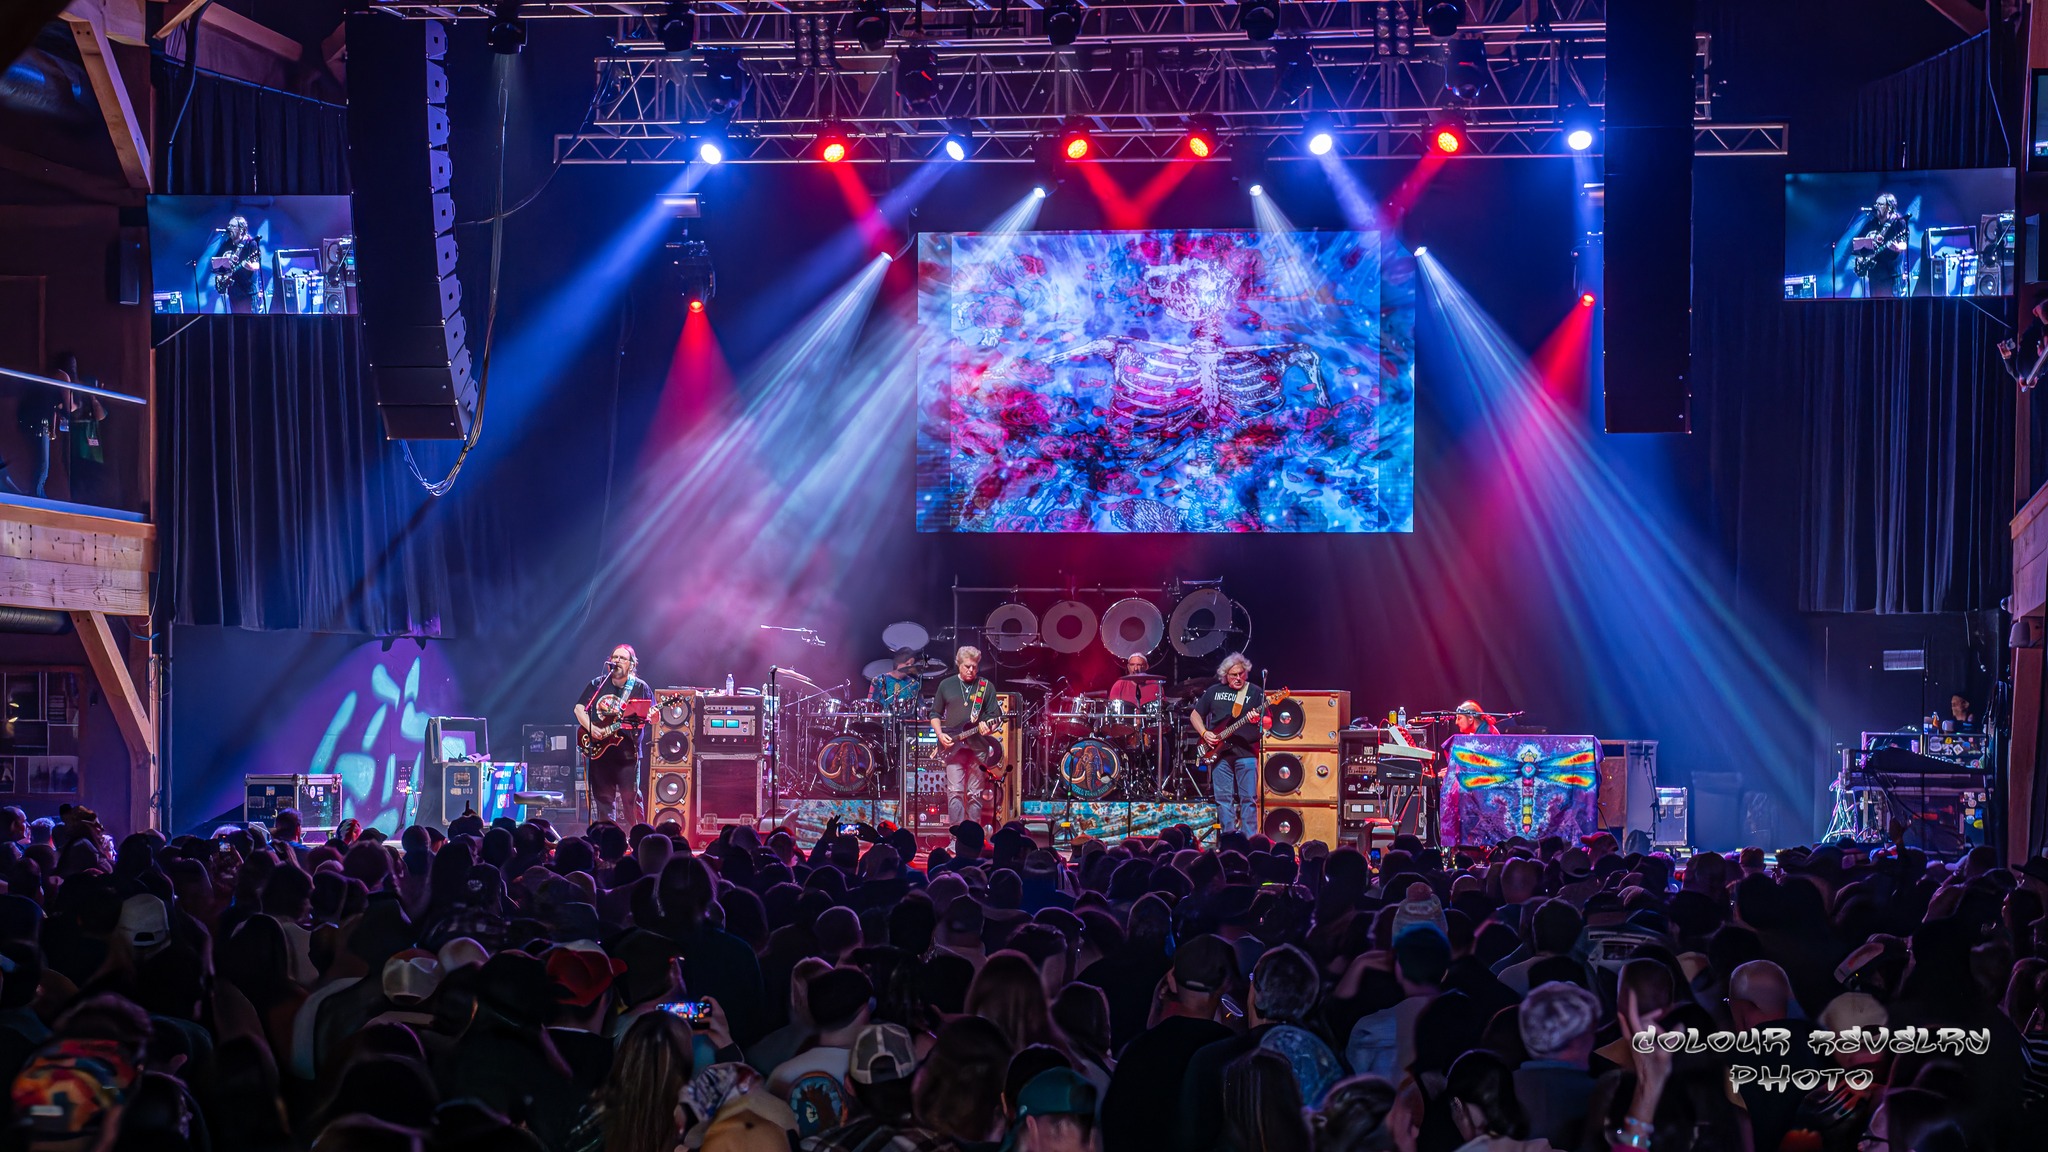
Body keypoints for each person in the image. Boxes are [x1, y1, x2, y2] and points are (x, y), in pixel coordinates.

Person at [574, 644, 653, 825]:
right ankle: (607, 837)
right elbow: (578, 708)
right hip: (600, 752)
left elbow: (653, 716)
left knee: (631, 801)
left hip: (628, 755)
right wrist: (591, 727)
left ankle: (638, 836)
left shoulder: (640, 687)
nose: (617, 661)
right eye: (614, 657)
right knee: (603, 801)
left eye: (622, 658)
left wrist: (653, 716)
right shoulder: (598, 684)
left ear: (632, 664)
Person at [1190, 652, 1265, 836]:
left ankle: (1250, 841)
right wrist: (1205, 733)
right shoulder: (1214, 691)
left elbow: (1269, 722)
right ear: (1225, 675)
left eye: (1241, 674)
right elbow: (1195, 715)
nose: (1238, 678)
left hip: (1246, 751)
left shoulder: (1255, 692)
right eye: (1233, 675)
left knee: (1249, 799)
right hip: (1220, 753)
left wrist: (1257, 720)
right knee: (1223, 799)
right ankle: (1228, 839)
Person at [931, 646, 1001, 826]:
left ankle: (974, 835)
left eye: (974, 667)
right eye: (967, 666)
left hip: (978, 748)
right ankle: (956, 837)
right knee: (955, 792)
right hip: (954, 748)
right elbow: (935, 714)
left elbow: (995, 717)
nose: (971, 670)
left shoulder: (985, 687)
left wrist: (989, 728)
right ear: (959, 664)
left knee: (975, 794)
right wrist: (940, 734)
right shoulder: (946, 685)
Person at [13, 354, 66, 497]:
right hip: (39, 426)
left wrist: (53, 429)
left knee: (42, 465)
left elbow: (56, 409)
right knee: (43, 466)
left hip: (41, 427)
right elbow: (63, 407)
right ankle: (37, 495)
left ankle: (38, 493)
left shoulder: (47, 389)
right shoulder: (45, 388)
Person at [1851, 193, 1911, 298]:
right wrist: (1861, 258)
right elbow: (1858, 242)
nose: (1876, 206)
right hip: (1875, 275)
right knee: (1875, 305)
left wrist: (1897, 247)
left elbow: (1904, 244)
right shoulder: (1872, 224)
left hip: (1891, 275)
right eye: (1876, 204)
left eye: (1880, 204)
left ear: (1889, 207)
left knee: (1892, 306)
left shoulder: (1898, 222)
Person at [208, 214, 264, 313]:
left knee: (251, 319)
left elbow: (257, 264)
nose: (229, 228)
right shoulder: (227, 244)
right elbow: (218, 261)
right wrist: (221, 277)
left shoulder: (251, 243)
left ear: (241, 230)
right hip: (233, 291)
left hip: (248, 292)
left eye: (233, 226)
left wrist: (250, 266)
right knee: (237, 320)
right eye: (229, 226)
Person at [868, 649, 925, 717]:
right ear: (897, 663)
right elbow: (871, 705)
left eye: (912, 664)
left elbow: (921, 706)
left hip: (907, 721)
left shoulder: (914, 684)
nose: (910, 667)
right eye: (907, 664)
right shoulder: (879, 680)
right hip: (883, 720)